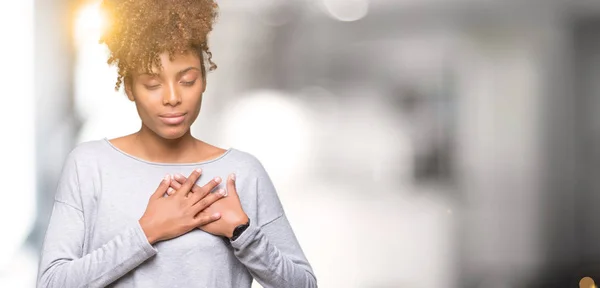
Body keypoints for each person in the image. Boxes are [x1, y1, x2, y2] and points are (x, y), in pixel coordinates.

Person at [36, 0, 317, 287]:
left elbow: (304, 284)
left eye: (187, 80)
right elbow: (51, 283)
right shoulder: (89, 165)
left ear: (204, 80)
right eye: (153, 84)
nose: (172, 97)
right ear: (130, 88)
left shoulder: (242, 172)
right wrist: (147, 232)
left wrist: (242, 233)